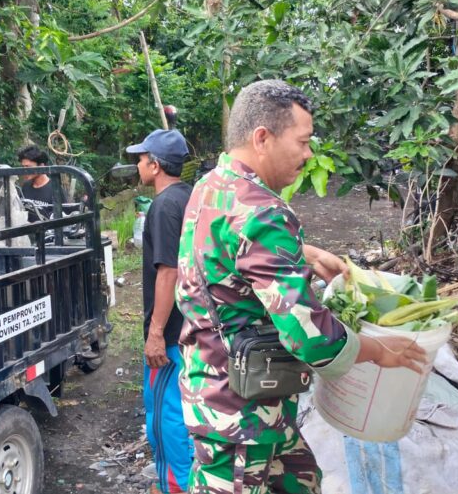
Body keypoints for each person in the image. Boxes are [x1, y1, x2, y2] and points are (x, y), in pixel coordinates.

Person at [176, 80, 428, 494]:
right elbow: (309, 336)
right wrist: (379, 351)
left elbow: (224, 250)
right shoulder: (263, 211)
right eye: (303, 141)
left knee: (301, 479)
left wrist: (306, 253)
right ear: (263, 138)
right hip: (239, 411)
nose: (309, 154)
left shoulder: (213, 186)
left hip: (232, 389)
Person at [125, 129, 194, 494]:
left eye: (141, 158)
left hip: (169, 336)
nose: (137, 164)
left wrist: (155, 334)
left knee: (166, 417)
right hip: (188, 329)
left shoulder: (165, 206)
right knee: (178, 410)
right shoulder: (189, 198)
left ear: (155, 164)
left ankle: (175, 486)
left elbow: (168, 271)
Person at [17, 145, 57, 221]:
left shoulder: (55, 189)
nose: (24, 171)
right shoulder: (26, 186)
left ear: (41, 166)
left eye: (28, 167)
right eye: (23, 167)